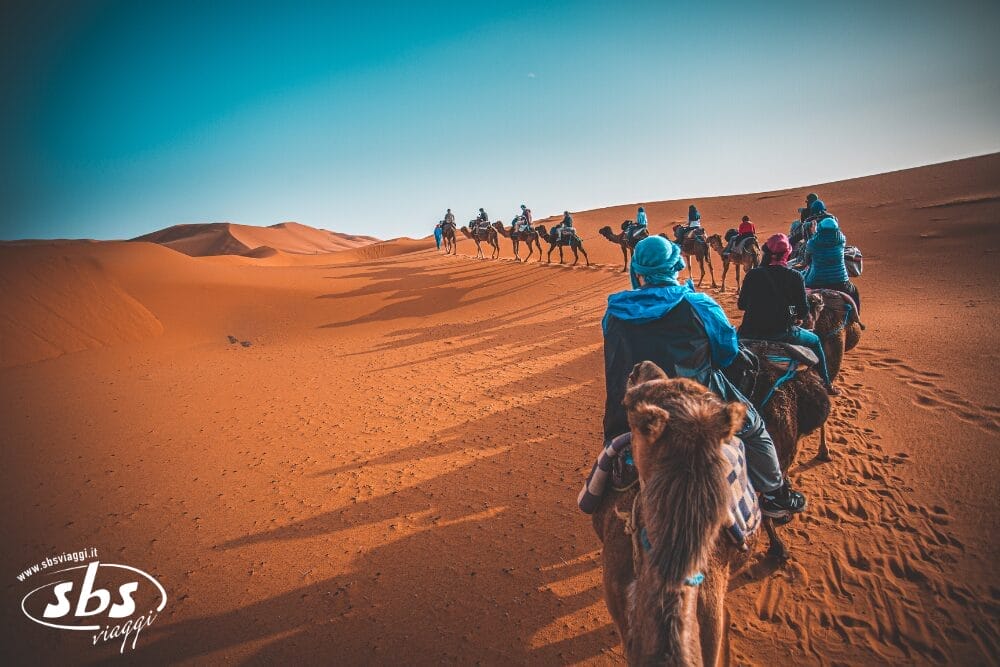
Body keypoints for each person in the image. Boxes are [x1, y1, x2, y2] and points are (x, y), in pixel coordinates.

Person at [599, 235, 807, 518]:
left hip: (631, 410)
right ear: (676, 266)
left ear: (637, 271)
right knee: (755, 429)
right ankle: (775, 496)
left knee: (617, 443)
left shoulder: (614, 311)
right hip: (697, 408)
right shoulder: (699, 304)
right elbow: (727, 354)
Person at [738, 234, 839, 395]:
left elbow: (741, 305)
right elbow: (803, 311)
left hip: (749, 332)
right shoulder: (795, 277)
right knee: (815, 341)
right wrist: (791, 313)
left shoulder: (752, 275)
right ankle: (827, 384)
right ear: (787, 254)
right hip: (782, 333)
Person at [802, 201, 861, 314]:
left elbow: (806, 260)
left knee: (800, 292)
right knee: (854, 292)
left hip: (815, 281)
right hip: (840, 281)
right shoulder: (841, 240)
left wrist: (813, 233)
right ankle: (856, 319)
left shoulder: (812, 243)